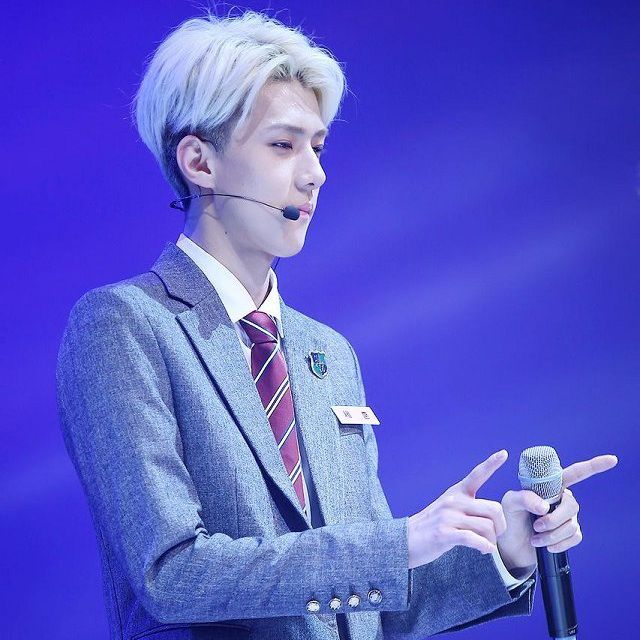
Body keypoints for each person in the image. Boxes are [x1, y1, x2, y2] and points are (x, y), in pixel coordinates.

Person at [55, 9, 617, 640]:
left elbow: (369, 603)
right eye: (283, 145)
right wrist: (398, 543)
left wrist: (505, 550)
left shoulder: (328, 352)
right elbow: (171, 574)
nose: (315, 173)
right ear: (199, 162)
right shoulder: (125, 325)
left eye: (318, 147)